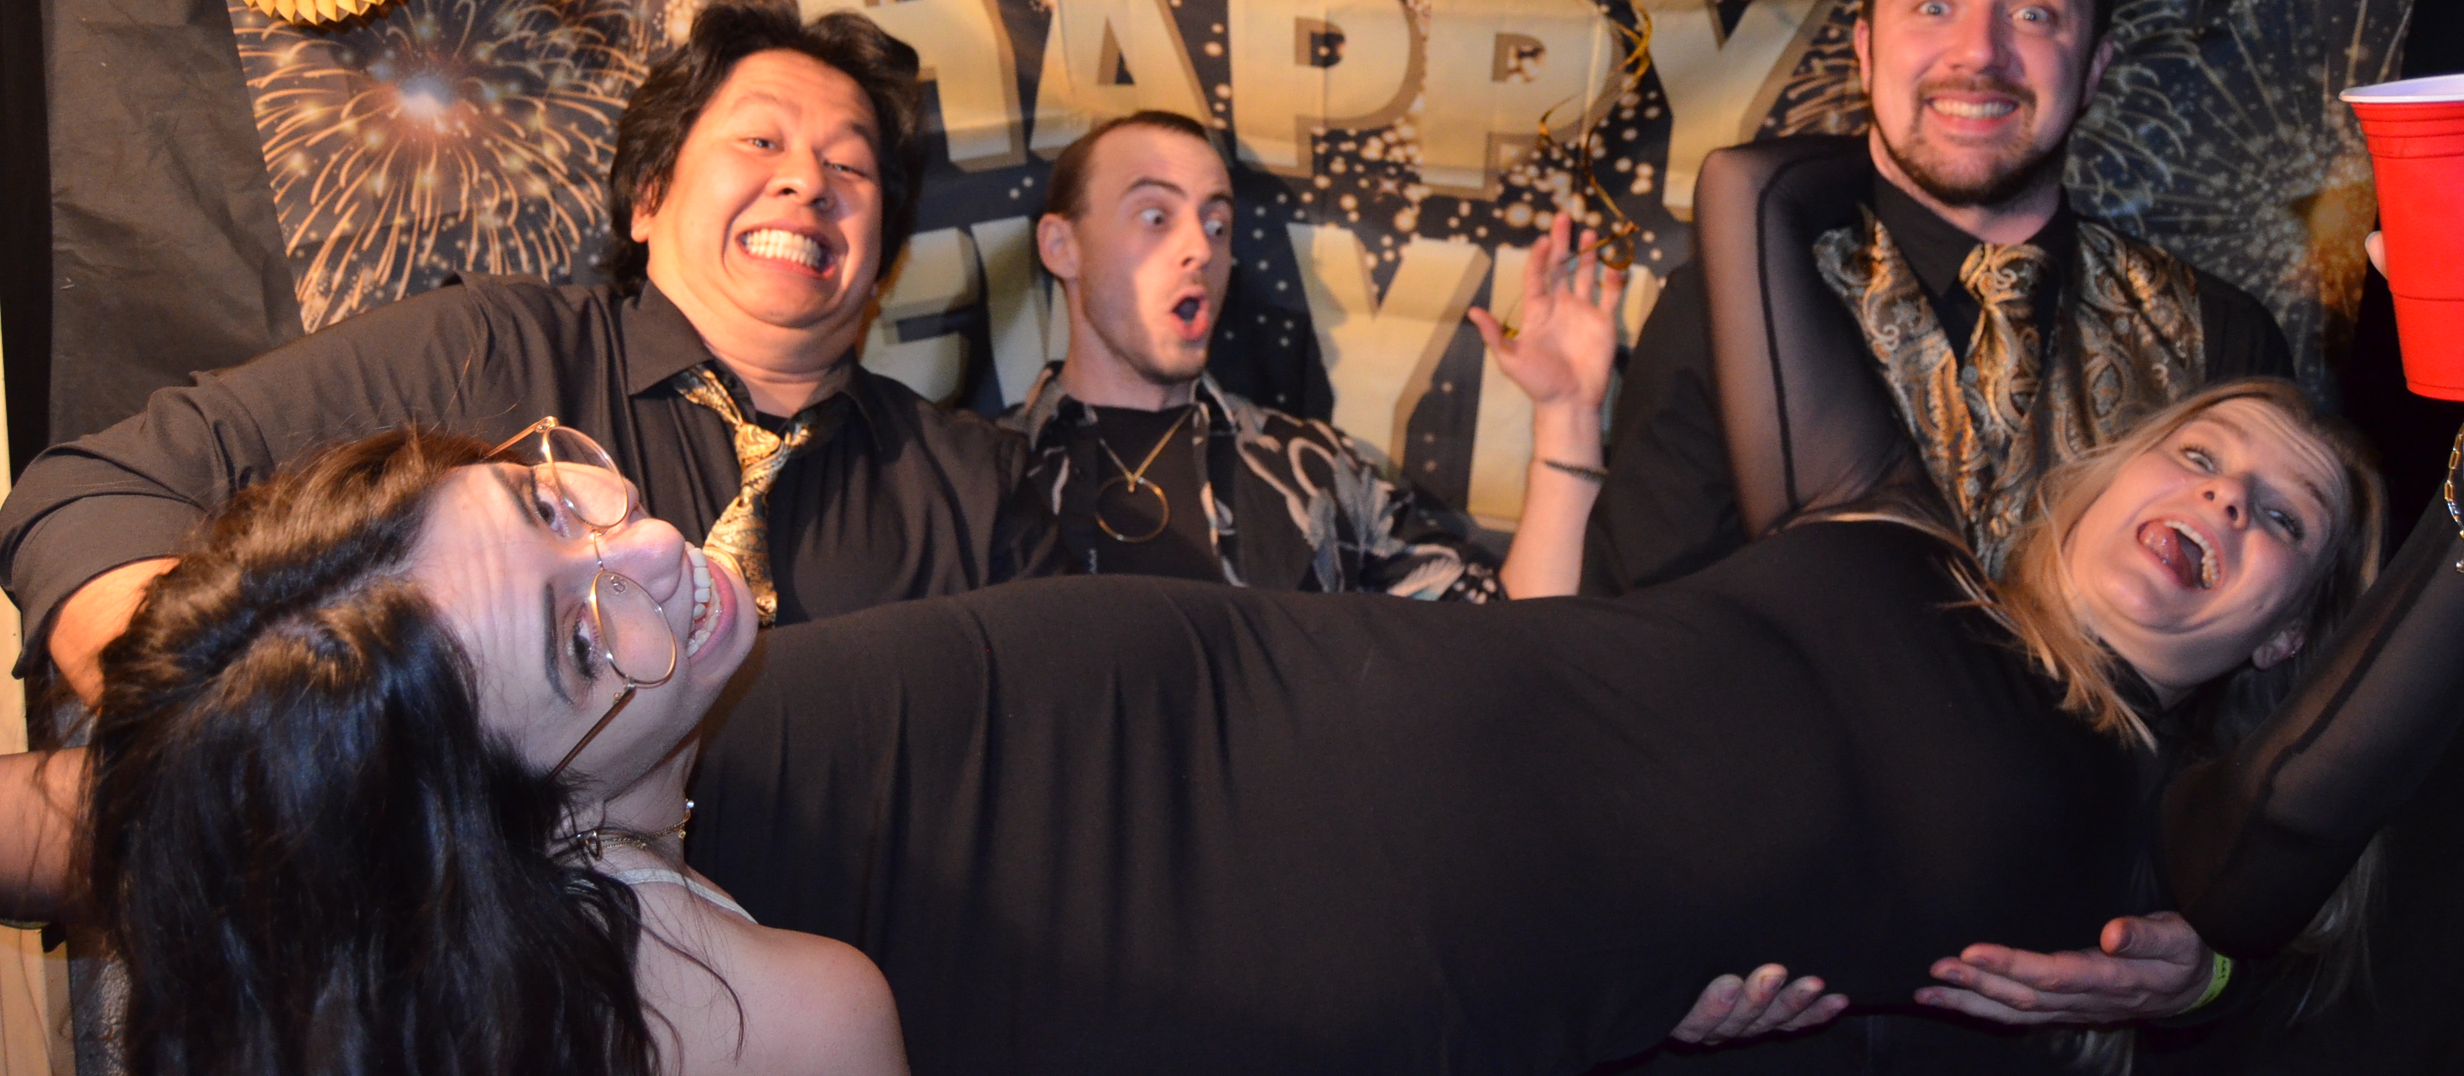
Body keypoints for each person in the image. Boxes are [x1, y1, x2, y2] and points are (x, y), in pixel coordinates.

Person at [685, 374, 2448, 1076]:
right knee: (644, 765)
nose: (2216, 501)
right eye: (2197, 452)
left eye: (2277, 517)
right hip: (1190, 700)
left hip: (1347, 979)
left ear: (2301, 629)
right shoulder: (1898, 530)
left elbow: (2307, 829)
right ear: (2113, 468)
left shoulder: (2163, 851)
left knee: (666, 1009)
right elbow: (1754, 187)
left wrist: (2202, 979)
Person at [1587, 0, 2296, 1045]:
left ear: (2095, 64)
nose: (1980, 52)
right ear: (1864, 50)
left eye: (2036, 12)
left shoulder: (2216, 337)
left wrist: (2212, 961)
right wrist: (1651, 942)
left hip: (2058, 1011)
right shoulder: (1741, 297)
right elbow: (1642, 626)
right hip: (1780, 979)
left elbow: (2259, 722)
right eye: (1933, 5)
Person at [0, 0, 1057, 708]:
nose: (807, 182)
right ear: (648, 197)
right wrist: (214, 729)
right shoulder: (487, 354)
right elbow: (91, 490)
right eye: (761, 139)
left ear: (882, 254)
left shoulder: (976, 489)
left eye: (851, 166)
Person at [68, 421, 907, 1074]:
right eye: (582, 643)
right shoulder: (799, 1014)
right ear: (497, 818)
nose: (654, 544)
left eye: (543, 504)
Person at [1010, 110, 1621, 598]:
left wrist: (1567, 412)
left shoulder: (1316, 473)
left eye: (1217, 225)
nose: (1200, 246)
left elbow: (1516, 646)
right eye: (1155, 216)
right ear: (1062, 245)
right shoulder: (988, 474)